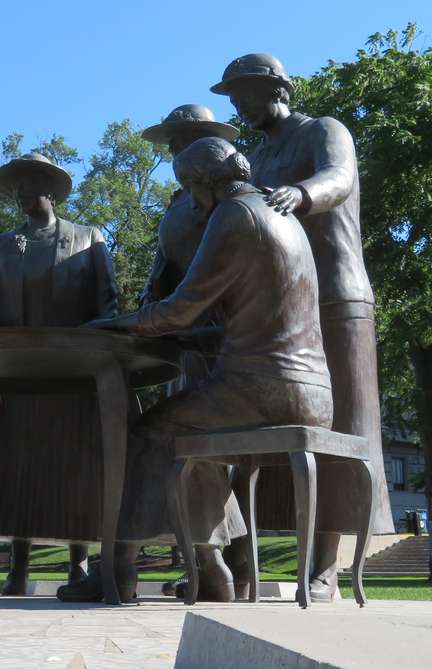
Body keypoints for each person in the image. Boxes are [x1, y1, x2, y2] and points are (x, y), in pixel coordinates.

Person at [59, 138, 333, 602]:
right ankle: (213, 571)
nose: (189, 200)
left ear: (205, 181)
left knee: (147, 432)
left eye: (189, 187)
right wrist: (187, 335)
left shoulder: (235, 214)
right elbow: (257, 324)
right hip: (314, 392)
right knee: (195, 446)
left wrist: (115, 324)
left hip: (261, 387)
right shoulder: (278, 212)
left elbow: (180, 308)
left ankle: (118, 572)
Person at [211, 53, 393, 601]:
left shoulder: (323, 130)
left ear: (278, 88)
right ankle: (246, 565)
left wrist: (302, 193)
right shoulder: (259, 156)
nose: (239, 104)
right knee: (271, 430)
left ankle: (327, 566)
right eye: (233, 95)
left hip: (337, 295)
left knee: (344, 425)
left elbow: (340, 177)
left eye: (246, 92)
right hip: (282, 308)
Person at [0, 152, 119, 595]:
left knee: (77, 470)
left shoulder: (87, 238)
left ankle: (78, 564)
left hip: (77, 374)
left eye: (29, 183)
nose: (21, 192)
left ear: (51, 189)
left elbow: (108, 306)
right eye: (16, 185)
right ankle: (17, 568)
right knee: (20, 470)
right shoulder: (3, 245)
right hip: (23, 375)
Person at [139, 104, 249, 599]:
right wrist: (145, 311)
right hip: (180, 337)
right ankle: (202, 559)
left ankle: (216, 561)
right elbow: (161, 268)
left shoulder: (232, 200)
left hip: (227, 339)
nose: (174, 149)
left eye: (183, 139)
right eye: (170, 143)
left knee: (207, 451)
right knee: (186, 451)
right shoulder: (175, 205)